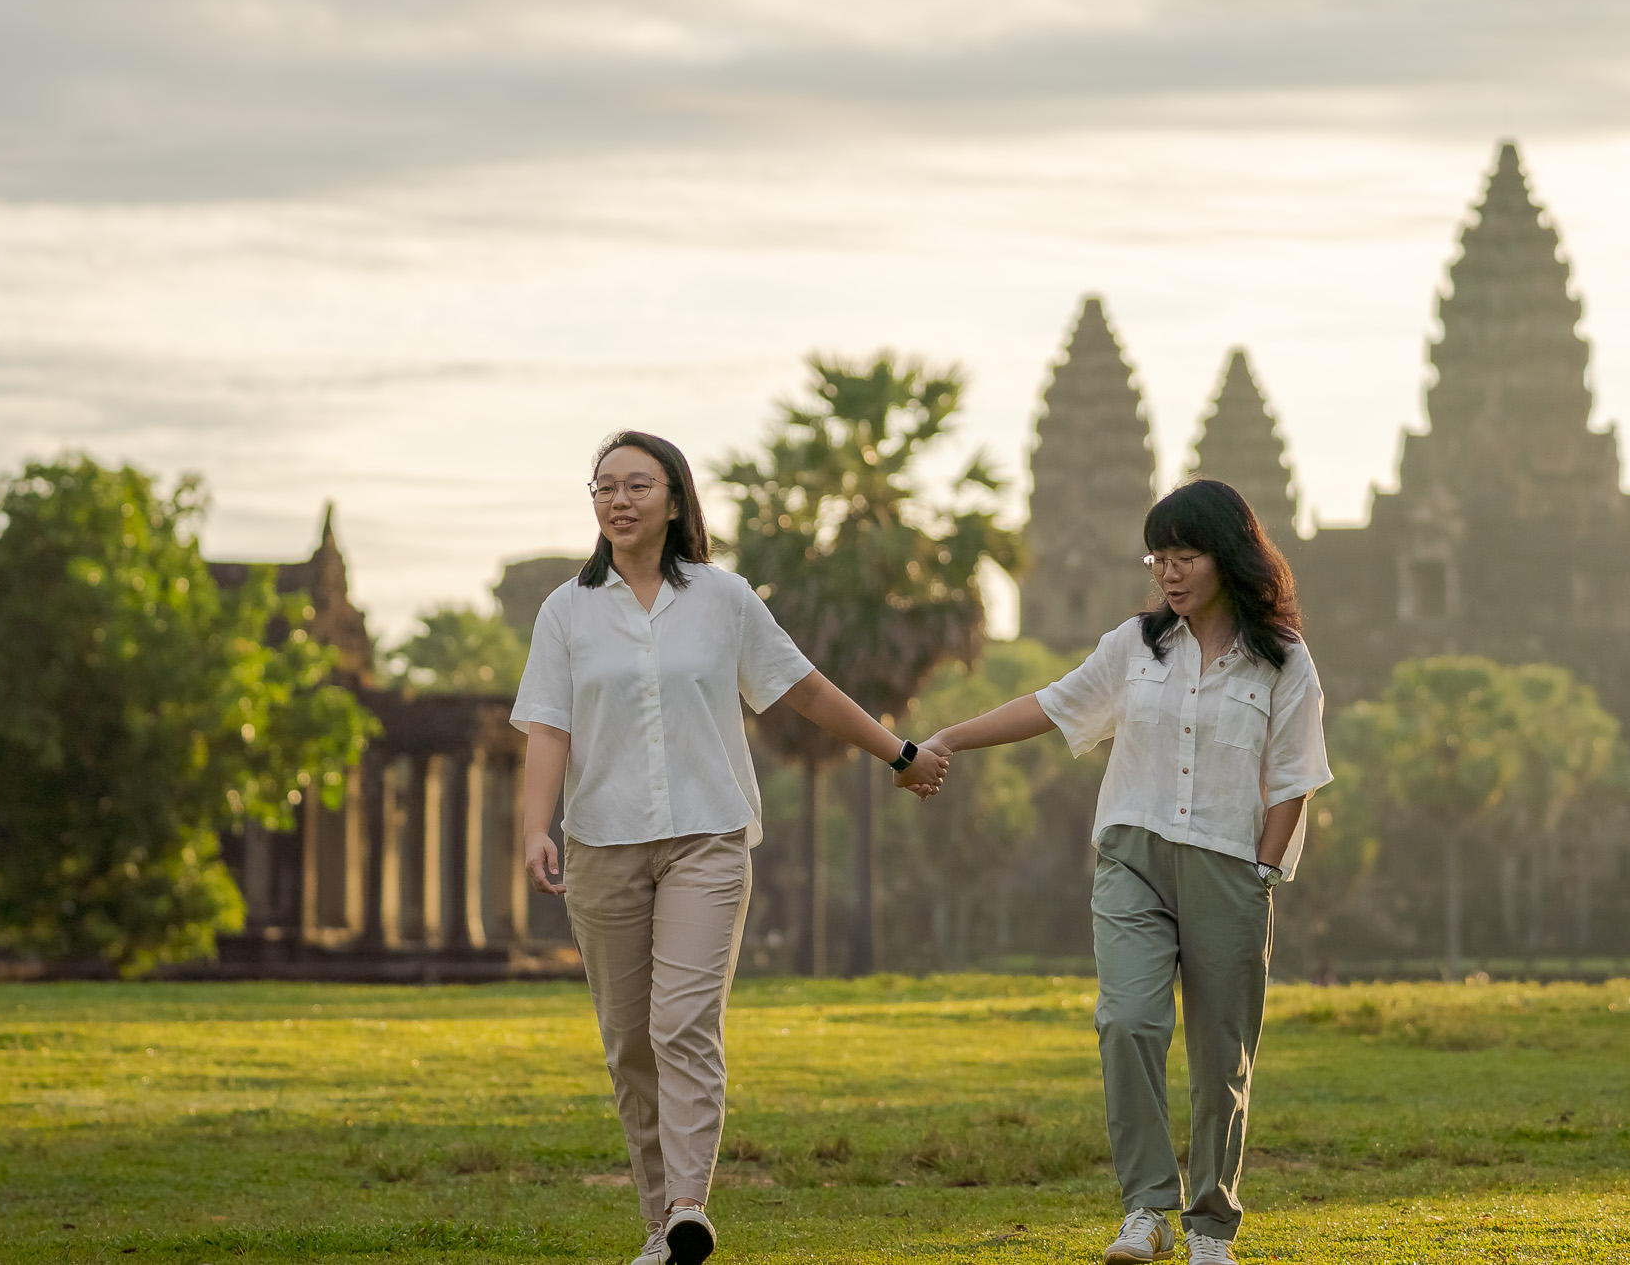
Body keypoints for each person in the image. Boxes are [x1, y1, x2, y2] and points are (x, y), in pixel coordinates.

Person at [512, 429, 947, 1265]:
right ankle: (655, 1225)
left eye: (637, 484)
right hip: (602, 842)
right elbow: (547, 725)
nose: (619, 500)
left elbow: (806, 687)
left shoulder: (724, 597)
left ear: (675, 499)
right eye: (604, 486)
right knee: (629, 1039)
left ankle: (687, 1205)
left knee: (683, 1020)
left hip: (706, 838)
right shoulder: (566, 610)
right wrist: (536, 826)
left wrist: (898, 750)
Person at [919, 478, 1328, 1265]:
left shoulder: (1282, 660)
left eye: (1186, 555)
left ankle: (1211, 1227)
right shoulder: (1134, 647)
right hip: (1132, 857)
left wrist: (1264, 874)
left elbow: (1295, 775)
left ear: (1228, 556)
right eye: (1158, 557)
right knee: (1128, 1020)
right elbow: (1050, 703)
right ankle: (1146, 1209)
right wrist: (950, 737)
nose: (1169, 573)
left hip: (1229, 866)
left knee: (1220, 1052)